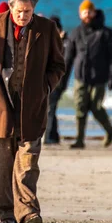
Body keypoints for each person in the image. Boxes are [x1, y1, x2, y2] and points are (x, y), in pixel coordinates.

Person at [0, 0, 65, 223]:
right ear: (10, 7)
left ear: (34, 9)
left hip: (33, 105)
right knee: (2, 163)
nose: (23, 16)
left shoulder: (47, 28)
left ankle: (28, 212)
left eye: (28, 11)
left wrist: (46, 86)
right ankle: (6, 214)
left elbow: (58, 64)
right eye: (19, 11)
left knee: (27, 161)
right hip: (0, 103)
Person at [61, 0, 112, 149]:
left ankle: (110, 130)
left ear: (94, 12)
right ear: (80, 14)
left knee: (96, 107)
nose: (87, 14)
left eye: (89, 11)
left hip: (99, 78)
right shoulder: (76, 33)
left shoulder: (106, 33)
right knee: (80, 108)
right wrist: (62, 80)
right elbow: (68, 59)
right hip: (80, 78)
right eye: (84, 12)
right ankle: (80, 140)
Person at [45, 15, 68, 144]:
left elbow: (65, 62)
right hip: (50, 80)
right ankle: (54, 135)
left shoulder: (65, 43)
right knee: (50, 108)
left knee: (50, 108)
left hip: (58, 81)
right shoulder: (49, 43)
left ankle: (50, 137)